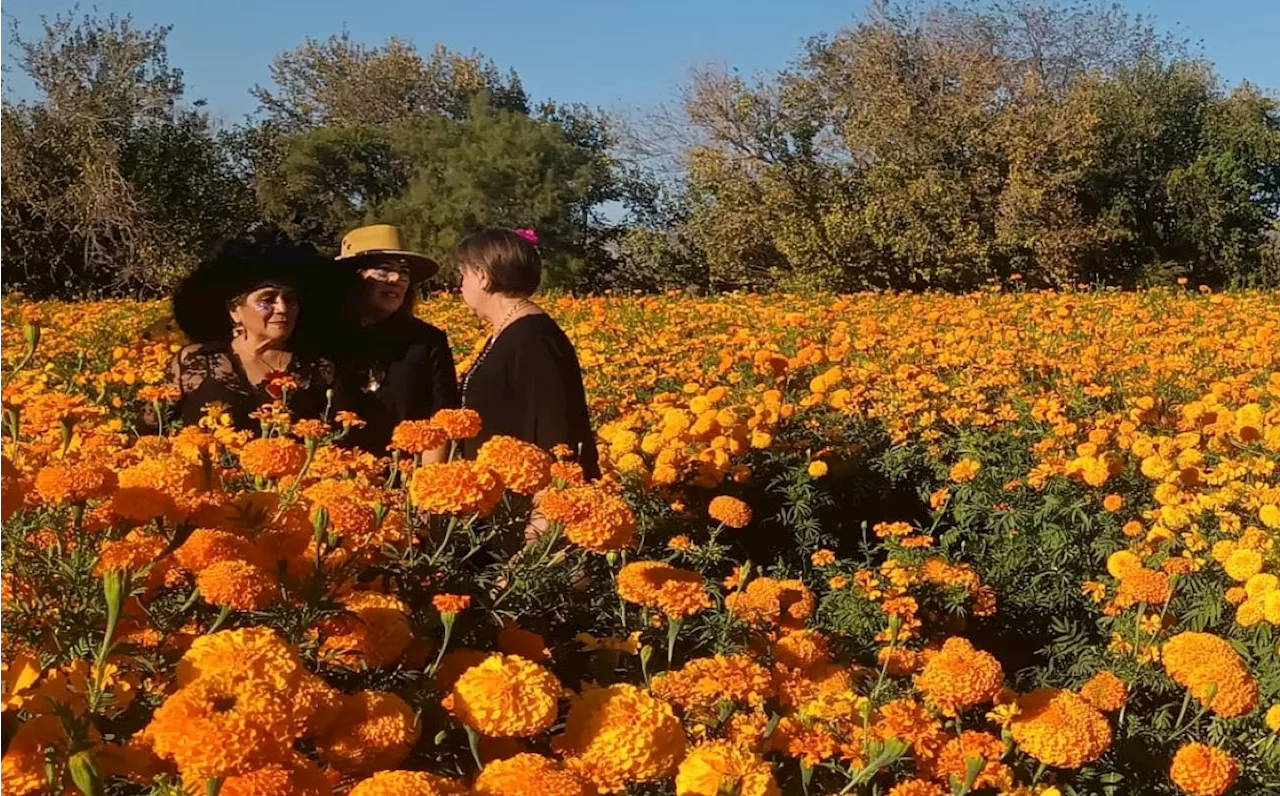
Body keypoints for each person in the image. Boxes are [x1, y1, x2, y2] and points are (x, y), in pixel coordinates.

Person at [152, 224, 343, 433]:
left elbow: (334, 439)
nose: (282, 308)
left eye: (290, 300)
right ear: (235, 311)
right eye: (266, 300)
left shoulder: (318, 369)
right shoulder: (194, 361)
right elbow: (151, 432)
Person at [455, 227, 600, 479]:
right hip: (502, 494)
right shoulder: (508, 331)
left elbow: (557, 429)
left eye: (463, 276)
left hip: (531, 501)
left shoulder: (534, 339)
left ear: (482, 277)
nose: (460, 287)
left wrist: (543, 512)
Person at [330, 224, 459, 455]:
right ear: (353, 278)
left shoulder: (427, 341)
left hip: (403, 479)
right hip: (330, 476)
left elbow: (440, 422)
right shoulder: (324, 338)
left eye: (404, 273)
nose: (396, 279)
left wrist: (425, 486)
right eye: (383, 271)